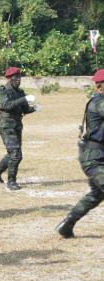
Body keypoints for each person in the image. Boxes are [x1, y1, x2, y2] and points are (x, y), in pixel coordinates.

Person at [55, 69, 104, 238]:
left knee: (96, 195)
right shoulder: (98, 103)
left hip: (99, 156)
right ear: (99, 87)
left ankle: (67, 224)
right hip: (94, 158)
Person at [0, 67, 39, 190]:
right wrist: (24, 99)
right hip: (6, 125)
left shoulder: (20, 92)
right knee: (15, 154)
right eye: (15, 78)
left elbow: (25, 109)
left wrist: (35, 108)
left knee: (14, 154)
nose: (18, 80)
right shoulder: (3, 90)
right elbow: (5, 105)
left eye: (20, 77)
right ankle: (11, 181)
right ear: (9, 78)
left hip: (17, 125)